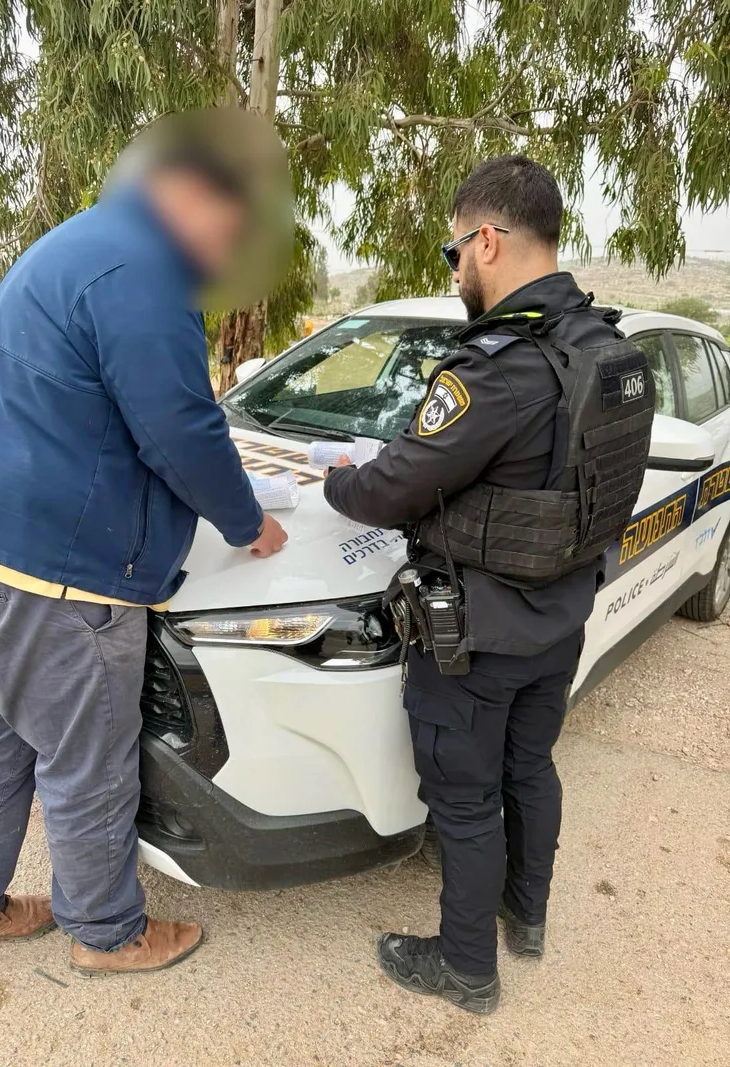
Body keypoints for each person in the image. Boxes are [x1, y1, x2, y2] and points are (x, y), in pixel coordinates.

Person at [0, 117, 289, 975]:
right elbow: (180, 429)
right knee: (87, 758)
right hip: (53, 573)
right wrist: (249, 521)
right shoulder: (142, 268)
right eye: (230, 226)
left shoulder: (77, 244)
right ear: (193, 192)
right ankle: (108, 932)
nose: (225, 252)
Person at [324, 155, 652, 1013]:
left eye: (453, 251)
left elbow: (393, 487)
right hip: (561, 618)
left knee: (464, 801)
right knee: (530, 768)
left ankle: (466, 967)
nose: (455, 269)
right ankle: (525, 917)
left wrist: (335, 481)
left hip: (476, 637)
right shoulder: (607, 349)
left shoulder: (498, 368)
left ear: (489, 240)